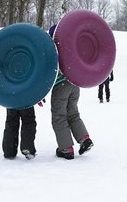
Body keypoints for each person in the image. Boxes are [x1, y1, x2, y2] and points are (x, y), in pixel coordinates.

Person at [48, 24, 94, 160]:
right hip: (74, 84)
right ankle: (84, 139)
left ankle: (66, 148)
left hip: (60, 86)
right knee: (73, 113)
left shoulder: (52, 49)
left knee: (59, 116)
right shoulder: (70, 46)